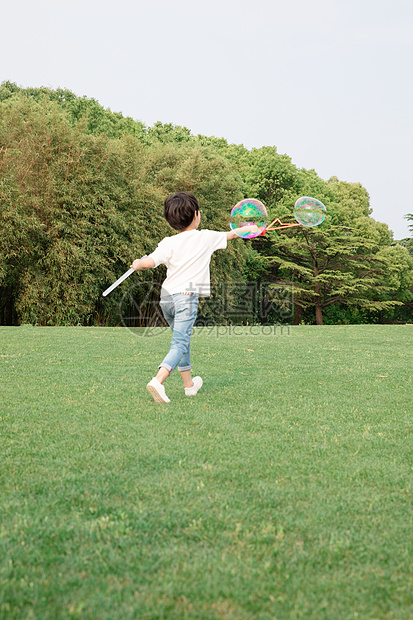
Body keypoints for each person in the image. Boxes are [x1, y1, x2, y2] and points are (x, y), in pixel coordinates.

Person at [130, 192, 258, 403]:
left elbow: (149, 262)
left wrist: (137, 263)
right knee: (180, 342)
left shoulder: (168, 242)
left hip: (166, 299)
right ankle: (158, 380)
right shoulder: (205, 237)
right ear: (196, 215)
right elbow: (234, 234)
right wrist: (253, 228)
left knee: (182, 341)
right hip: (185, 299)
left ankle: (189, 385)